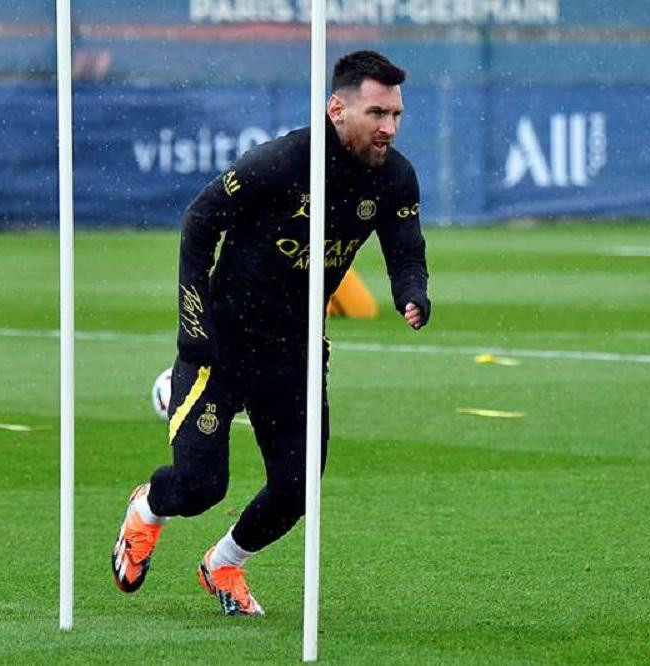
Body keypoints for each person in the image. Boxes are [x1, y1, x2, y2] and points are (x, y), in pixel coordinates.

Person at [111, 50, 430, 616]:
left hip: (297, 354)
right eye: (378, 113)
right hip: (222, 348)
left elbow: (406, 250)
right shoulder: (283, 161)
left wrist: (412, 292)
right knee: (200, 485)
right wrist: (193, 320)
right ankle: (147, 511)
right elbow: (199, 221)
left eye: (396, 115)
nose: (389, 127)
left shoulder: (395, 177)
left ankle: (224, 564)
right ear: (338, 108)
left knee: (296, 490)